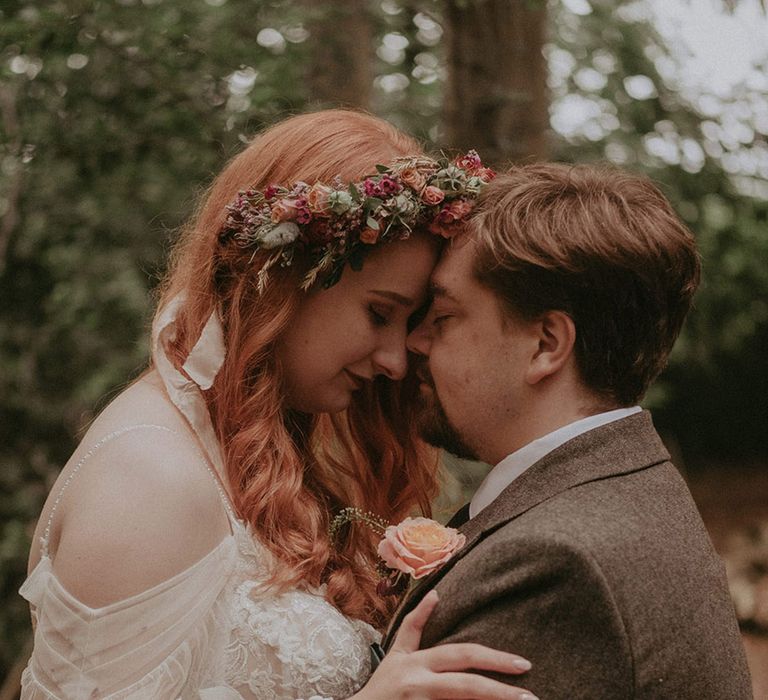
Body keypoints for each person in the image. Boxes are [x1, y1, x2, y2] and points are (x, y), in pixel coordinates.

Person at [19, 110, 535, 699]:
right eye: (379, 313)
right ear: (282, 277)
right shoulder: (150, 475)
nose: (396, 359)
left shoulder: (259, 450)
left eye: (412, 322)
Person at [384, 163, 754, 698]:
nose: (415, 342)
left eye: (442, 318)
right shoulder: (632, 491)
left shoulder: (553, 563)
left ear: (547, 344)